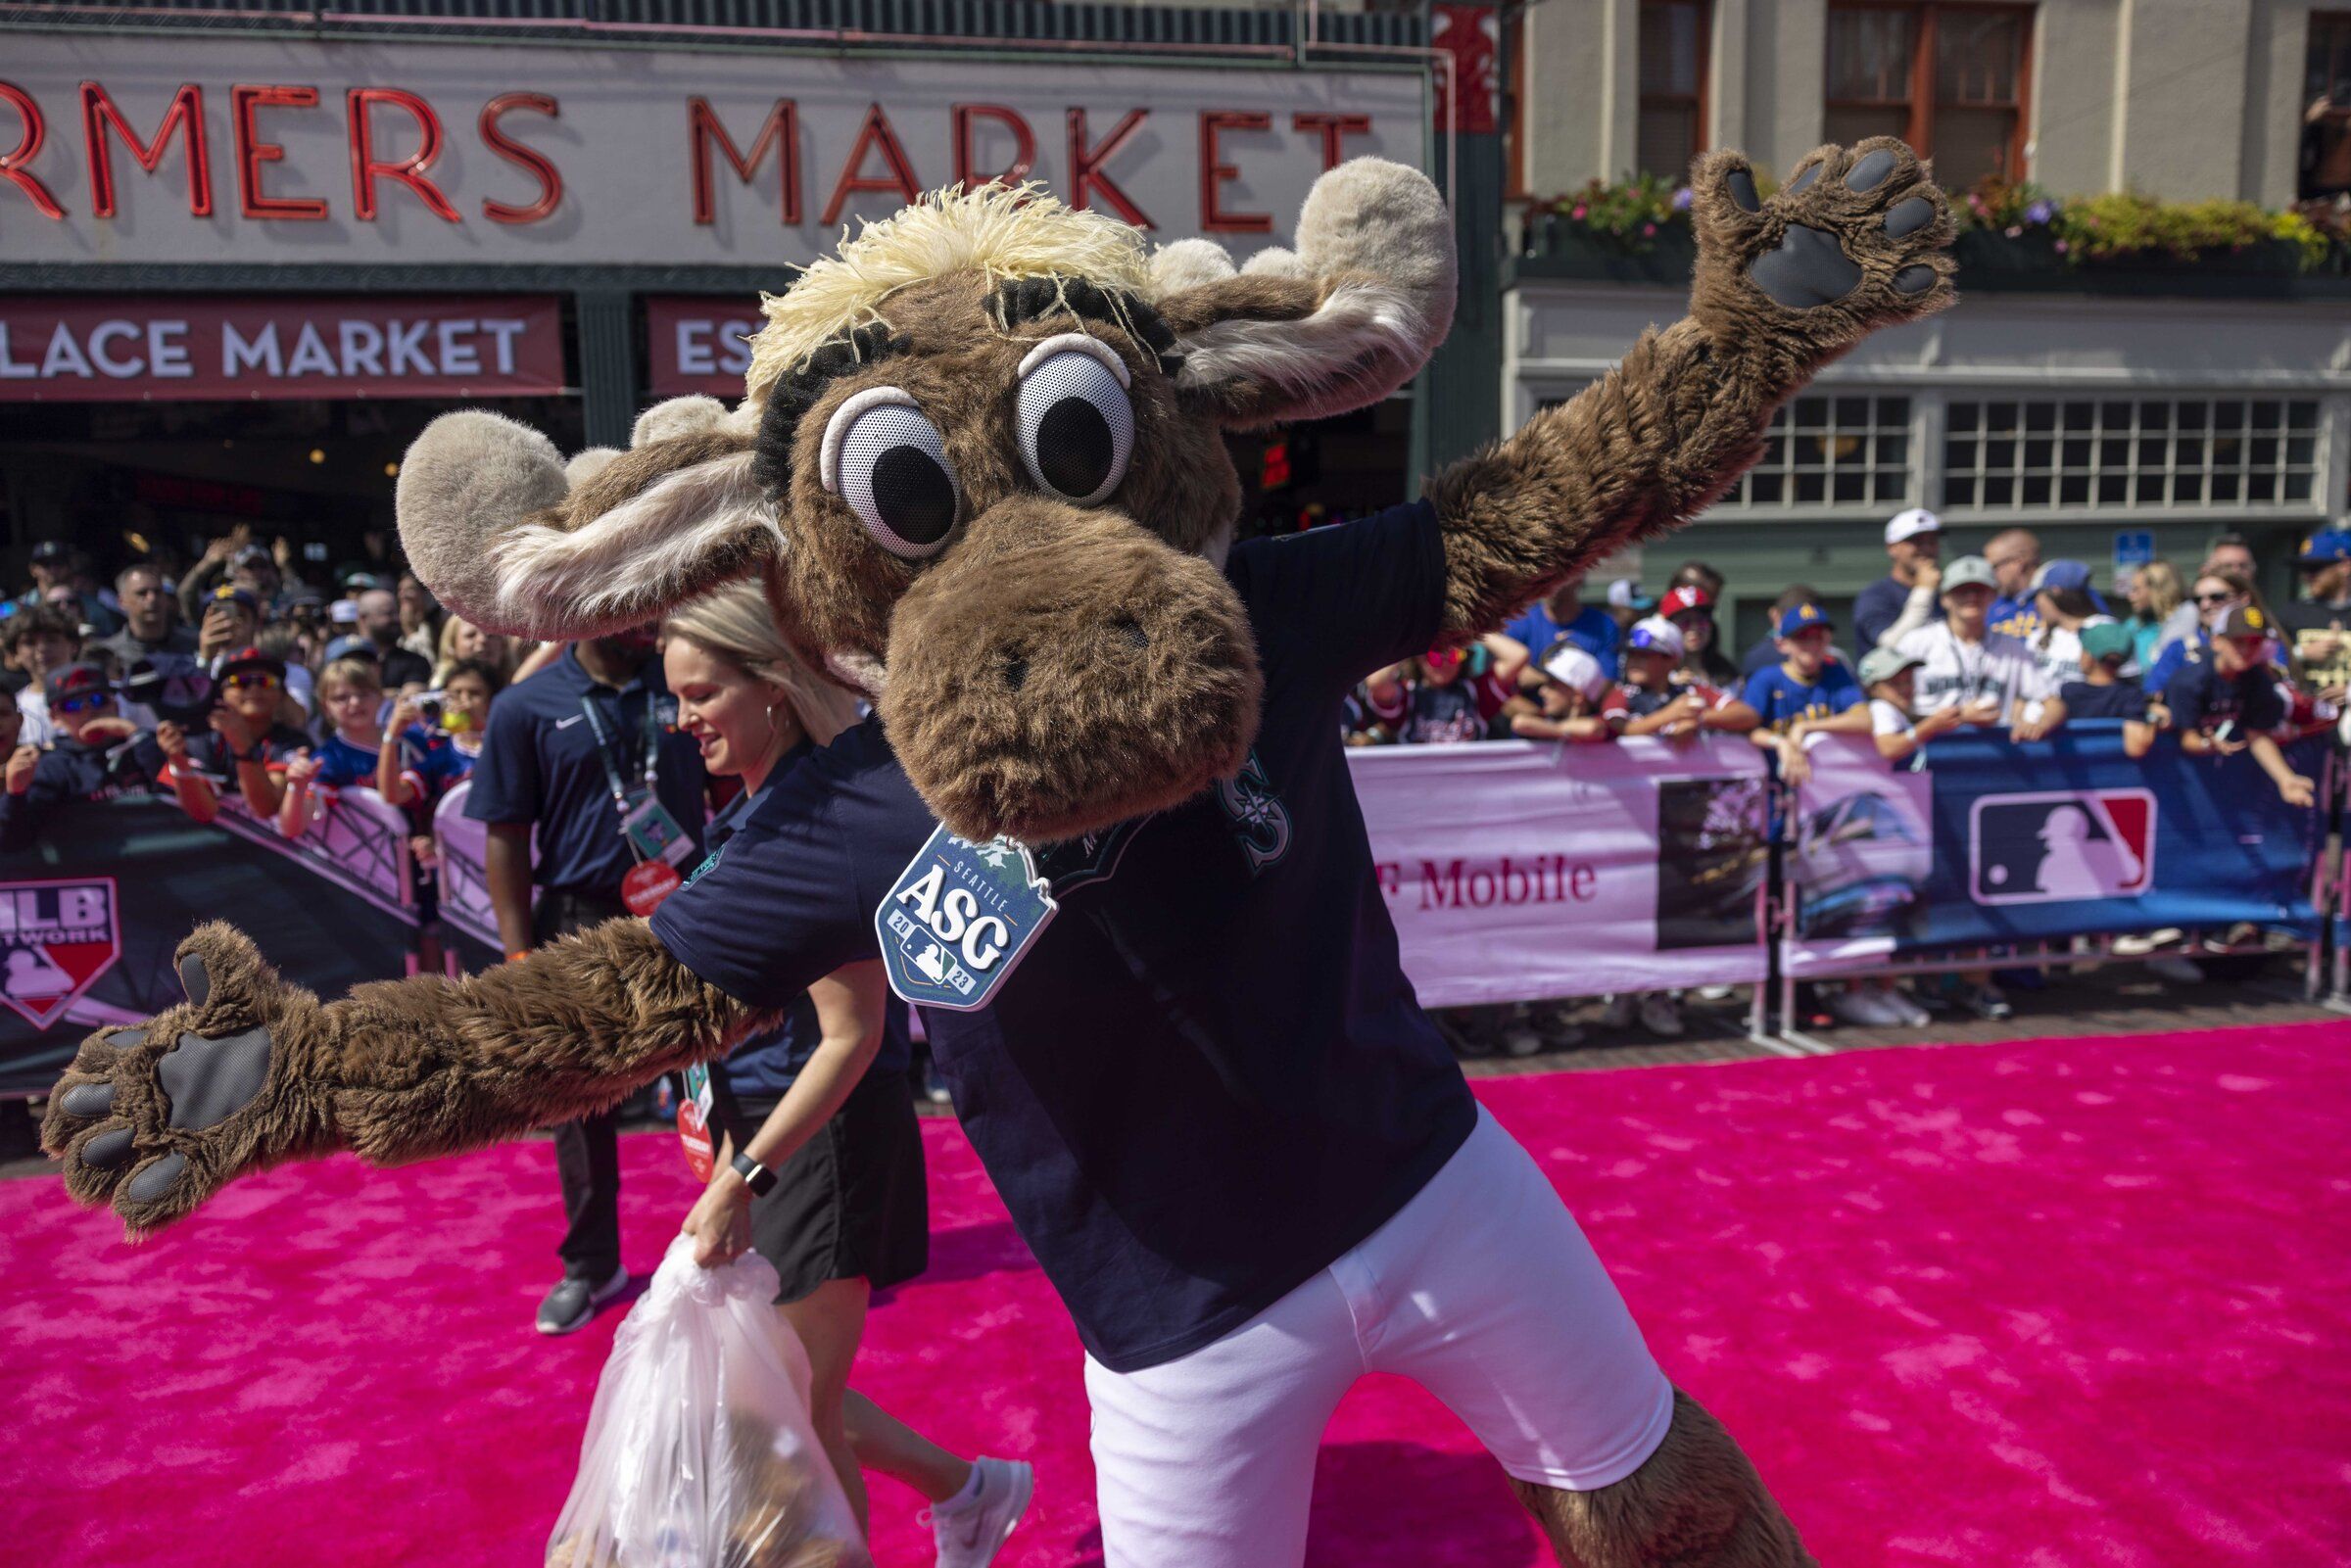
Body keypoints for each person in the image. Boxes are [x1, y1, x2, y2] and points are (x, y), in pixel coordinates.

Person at [662, 584, 1033, 1563]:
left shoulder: (817, 821)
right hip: (765, 1130)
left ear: (775, 687)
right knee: (779, 1391)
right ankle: (970, 1488)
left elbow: (856, 1031)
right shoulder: (757, 810)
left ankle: (968, 1493)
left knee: (792, 1414)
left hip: (814, 1142)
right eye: (678, 697)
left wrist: (746, 1175)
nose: (683, 717)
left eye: (702, 693)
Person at [466, 625, 710, 1334]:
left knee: (717, 1083)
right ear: (586, 613)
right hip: (576, 920)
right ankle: (592, 1264)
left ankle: (743, 1244)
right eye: (630, 607)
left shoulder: (686, 679)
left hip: (688, 903)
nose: (650, 617)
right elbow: (506, 834)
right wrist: (516, 960)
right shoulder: (525, 706)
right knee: (580, 1106)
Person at [0, 664, 168, 852]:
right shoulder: (52, 765)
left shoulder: (148, 744)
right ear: (55, 717)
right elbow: (11, 841)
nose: (89, 711)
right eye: (73, 705)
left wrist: (135, 736)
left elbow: (182, 797)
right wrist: (15, 793)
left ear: (116, 705)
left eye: (98, 700)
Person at [2164, 604, 2316, 809]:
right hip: (2179, 782)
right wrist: (2208, 745)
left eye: (2254, 642)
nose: (2246, 650)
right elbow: (2187, 738)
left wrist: (2285, 778)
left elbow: (2257, 734)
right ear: (2217, 642)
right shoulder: (2189, 681)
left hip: (2228, 785)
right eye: (2237, 641)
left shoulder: (2258, 679)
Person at [1895, 556, 2064, 739]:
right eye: (1961, 591)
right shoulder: (1916, 642)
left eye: (1979, 590)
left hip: (1993, 754)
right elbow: (1892, 705)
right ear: (1945, 598)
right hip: (1932, 750)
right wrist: (1959, 716)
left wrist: (2039, 723)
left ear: (1993, 596)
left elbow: (2054, 703)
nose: (1971, 597)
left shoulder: (2013, 648)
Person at [159, 645, 313, 825]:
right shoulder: (199, 739)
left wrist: (242, 746)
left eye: (266, 681)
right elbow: (204, 813)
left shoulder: (294, 742)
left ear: (281, 694)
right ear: (221, 693)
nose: (254, 688)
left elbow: (266, 808)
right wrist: (179, 763)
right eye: (241, 681)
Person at [1741, 602, 1868, 783]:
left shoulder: (1836, 673)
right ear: (1782, 644)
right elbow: (1746, 729)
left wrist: (1804, 727)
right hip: (1773, 788)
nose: (1812, 644)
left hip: (1825, 788)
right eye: (1802, 637)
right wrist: (1780, 742)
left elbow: (1864, 719)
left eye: (1819, 637)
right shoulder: (1766, 679)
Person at [1611, 617, 1757, 739]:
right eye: (1631, 654)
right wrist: (1672, 715)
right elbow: (1622, 728)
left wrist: (1697, 718)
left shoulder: (1690, 689)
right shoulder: (1621, 693)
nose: (1634, 662)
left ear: (1672, 660)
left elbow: (1748, 716)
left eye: (1644, 656)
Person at [2058, 623, 2160, 756]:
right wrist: (2154, 718)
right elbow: (2136, 747)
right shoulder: (2130, 695)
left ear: (2089, 657)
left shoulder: (2067, 692)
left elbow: (2135, 749)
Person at [1854, 507, 1943, 649]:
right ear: (1892, 548)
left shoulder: (1948, 593)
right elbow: (1891, 644)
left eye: (1932, 541)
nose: (1926, 548)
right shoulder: (1876, 595)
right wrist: (1924, 590)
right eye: (1916, 541)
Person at [1506, 579, 1620, 682]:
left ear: (1579, 577)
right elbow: (1505, 681)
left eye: (1558, 576)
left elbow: (1606, 681)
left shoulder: (1603, 625)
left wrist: (1542, 676)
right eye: (1544, 576)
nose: (1549, 584)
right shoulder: (1519, 624)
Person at [2026, 565, 2116, 692]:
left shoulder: (2104, 630)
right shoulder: (2037, 636)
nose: (2035, 605)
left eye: (2038, 597)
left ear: (2055, 593)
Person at [1510, 641, 1621, 741]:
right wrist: (1561, 730)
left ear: (1578, 696)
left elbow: (1592, 728)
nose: (1542, 691)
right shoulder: (1545, 718)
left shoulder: (1602, 723)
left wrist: (1556, 729)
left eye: (1552, 686)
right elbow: (1520, 723)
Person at [5, 604, 81, 744]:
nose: (42, 648)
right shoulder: (11, 710)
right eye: (29, 642)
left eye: (51, 639)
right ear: (16, 654)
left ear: (74, 646)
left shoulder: (110, 697)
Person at [98, 563, 198, 667]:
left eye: (157, 592)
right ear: (122, 602)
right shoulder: (109, 654)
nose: (152, 598)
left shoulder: (194, 645)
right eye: (142, 593)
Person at [1658, 585, 1742, 688]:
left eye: (1701, 621)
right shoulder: (1656, 676)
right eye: (1685, 622)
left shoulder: (1728, 674)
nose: (1695, 628)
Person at [1739, 585, 1831, 677]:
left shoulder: (1833, 661)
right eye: (1801, 635)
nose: (1811, 644)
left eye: (1816, 634)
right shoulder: (1759, 661)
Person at [355, 588, 434, 689]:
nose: (396, 619)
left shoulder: (414, 661)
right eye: (388, 613)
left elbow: (410, 696)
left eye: (396, 613)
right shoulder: (348, 659)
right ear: (363, 618)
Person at [2128, 558, 2188, 669]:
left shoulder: (2187, 624)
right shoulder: (2133, 627)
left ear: (2157, 589)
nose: (2130, 597)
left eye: (2136, 590)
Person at [1984, 527, 2043, 640]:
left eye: (1994, 567)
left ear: (2018, 562)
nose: (1990, 575)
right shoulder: (1988, 606)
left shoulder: (2060, 595)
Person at [195, 585, 262, 674]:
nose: (228, 623)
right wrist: (205, 661)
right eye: (217, 615)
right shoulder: (185, 667)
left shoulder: (272, 668)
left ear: (256, 624)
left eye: (240, 615)